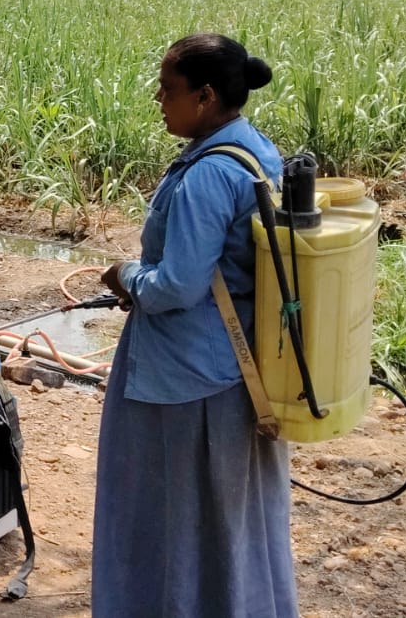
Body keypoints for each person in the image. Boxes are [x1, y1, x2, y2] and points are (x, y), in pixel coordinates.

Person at [94, 33, 294, 617]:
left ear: (205, 96)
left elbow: (177, 286)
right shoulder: (254, 150)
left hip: (186, 380)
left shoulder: (209, 174)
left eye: (168, 88)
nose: (159, 98)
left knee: (172, 517)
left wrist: (127, 275)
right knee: (232, 516)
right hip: (238, 367)